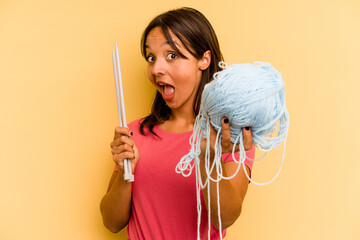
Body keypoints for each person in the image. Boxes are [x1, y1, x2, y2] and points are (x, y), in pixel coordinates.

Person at [100, 7, 255, 240]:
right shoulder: (134, 133)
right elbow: (112, 223)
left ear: (204, 59)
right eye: (151, 58)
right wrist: (124, 174)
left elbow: (225, 218)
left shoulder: (230, 135)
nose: (156, 69)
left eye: (171, 55)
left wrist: (208, 160)